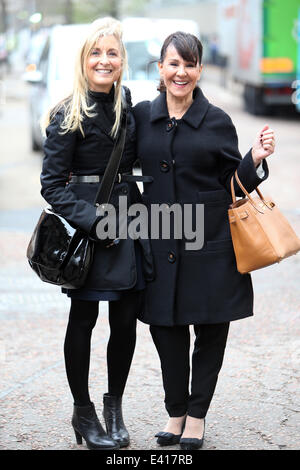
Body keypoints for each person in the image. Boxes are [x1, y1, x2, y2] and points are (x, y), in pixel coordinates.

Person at [133, 32, 275, 450]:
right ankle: (175, 413)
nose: (182, 72)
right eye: (174, 63)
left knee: (210, 333)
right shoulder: (142, 116)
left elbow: (232, 184)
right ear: (160, 68)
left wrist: (254, 160)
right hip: (159, 243)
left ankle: (196, 418)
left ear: (200, 70)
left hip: (210, 246)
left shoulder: (217, 121)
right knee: (166, 333)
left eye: (190, 64)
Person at [40, 17, 154, 450]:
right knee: (84, 321)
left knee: (125, 322)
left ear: (122, 60)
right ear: (84, 60)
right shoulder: (68, 112)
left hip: (130, 224)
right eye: (96, 53)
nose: (104, 60)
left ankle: (114, 408)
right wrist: (92, 220)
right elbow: (51, 186)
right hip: (90, 232)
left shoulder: (128, 105)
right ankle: (83, 413)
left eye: (111, 53)